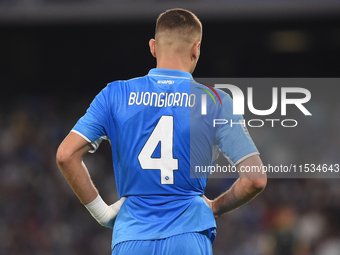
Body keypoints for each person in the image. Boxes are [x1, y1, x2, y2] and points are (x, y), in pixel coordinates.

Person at [56, 8, 267, 254]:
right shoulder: (215, 101)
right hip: (189, 236)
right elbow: (255, 179)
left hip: (131, 237)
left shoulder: (114, 95)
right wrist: (215, 207)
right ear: (196, 49)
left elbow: (65, 155)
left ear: (153, 47)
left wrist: (102, 214)